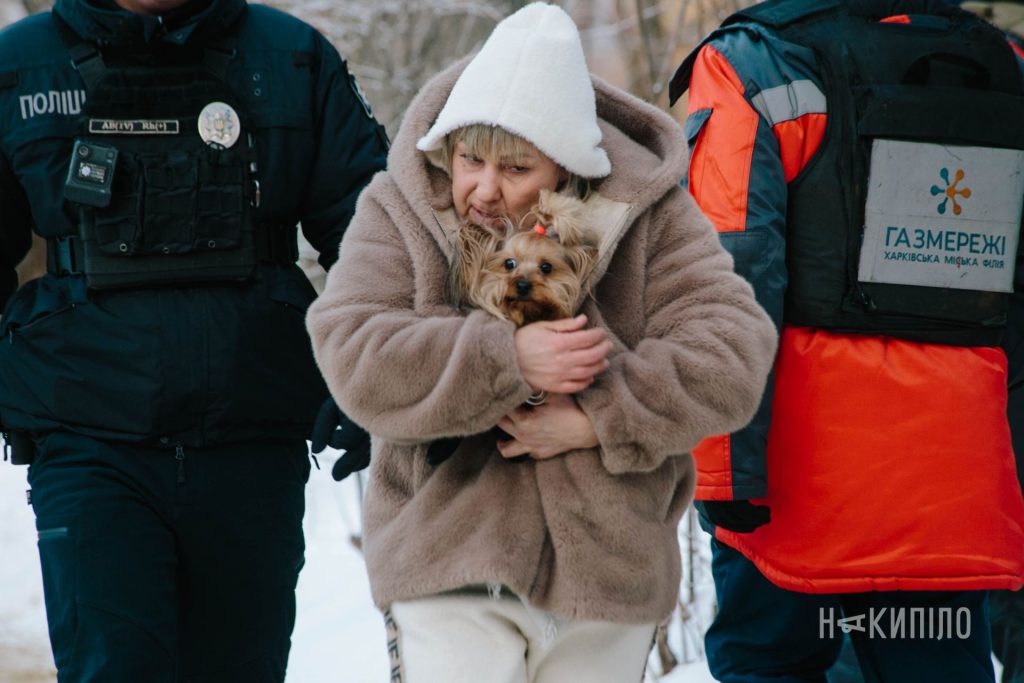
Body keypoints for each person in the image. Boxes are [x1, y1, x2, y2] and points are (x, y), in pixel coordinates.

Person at [305, 3, 777, 681]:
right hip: (449, 559)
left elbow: (732, 352)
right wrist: (507, 361)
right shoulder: (402, 205)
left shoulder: (653, 216)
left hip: (608, 575)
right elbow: (354, 344)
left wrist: (597, 415)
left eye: (516, 169)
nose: (484, 190)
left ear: (565, 164)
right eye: (470, 159)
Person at [0, 0, 388, 679]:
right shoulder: (19, 68)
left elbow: (378, 241)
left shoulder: (291, 57)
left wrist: (378, 382)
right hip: (90, 444)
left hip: (251, 442)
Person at [669, 0, 1024, 681]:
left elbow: (729, 279)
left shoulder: (752, 62)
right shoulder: (1000, 65)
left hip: (793, 500)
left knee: (768, 665)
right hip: (949, 493)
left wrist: (719, 472)